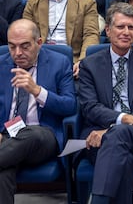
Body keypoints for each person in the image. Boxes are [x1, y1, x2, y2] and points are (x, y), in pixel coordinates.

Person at [78, 2, 133, 204]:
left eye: (131, 27)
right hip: (96, 136)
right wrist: (124, 119)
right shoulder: (90, 64)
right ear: (107, 30)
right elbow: (89, 107)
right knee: (123, 160)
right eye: (120, 26)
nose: (126, 32)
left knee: (118, 137)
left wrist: (112, 129)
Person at [0, 19, 76, 204]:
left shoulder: (59, 62)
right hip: (6, 137)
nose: (18, 53)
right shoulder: (1, 64)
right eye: (12, 47)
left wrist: (37, 91)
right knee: (2, 172)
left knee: (31, 134)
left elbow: (70, 106)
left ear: (39, 43)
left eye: (25, 46)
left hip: (42, 135)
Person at [23, 0, 100, 77]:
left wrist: (82, 61)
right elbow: (26, 36)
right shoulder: (33, 3)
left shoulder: (86, 3)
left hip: (71, 62)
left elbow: (91, 35)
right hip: (40, 62)